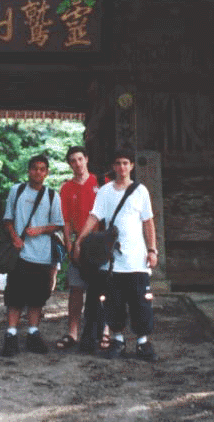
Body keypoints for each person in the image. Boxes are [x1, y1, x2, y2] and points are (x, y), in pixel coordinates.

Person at [75, 149, 160, 362]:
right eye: (118, 163)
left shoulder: (141, 191)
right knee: (114, 302)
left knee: (140, 302)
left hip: (136, 258)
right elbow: (94, 216)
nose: (121, 168)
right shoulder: (104, 191)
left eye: (125, 163)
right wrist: (80, 240)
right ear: (113, 167)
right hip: (112, 261)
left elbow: (148, 222)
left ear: (131, 166)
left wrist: (152, 249)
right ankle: (118, 340)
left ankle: (142, 342)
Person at [0, 154, 65, 356]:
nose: (38, 172)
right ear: (28, 170)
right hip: (20, 254)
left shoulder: (53, 196)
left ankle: (33, 333)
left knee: (37, 297)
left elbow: (58, 224)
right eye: (34, 168)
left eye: (42, 169)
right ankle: (10, 335)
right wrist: (14, 238)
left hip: (43, 255)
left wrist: (41, 230)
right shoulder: (16, 191)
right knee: (15, 296)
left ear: (46, 173)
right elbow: (8, 218)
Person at [56, 145, 104, 352]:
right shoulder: (66, 187)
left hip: (99, 240)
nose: (77, 164)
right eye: (72, 161)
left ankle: (104, 332)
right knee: (76, 289)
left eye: (80, 159)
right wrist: (68, 242)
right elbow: (65, 219)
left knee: (102, 289)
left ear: (86, 159)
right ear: (69, 164)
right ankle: (72, 332)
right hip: (77, 242)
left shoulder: (101, 183)